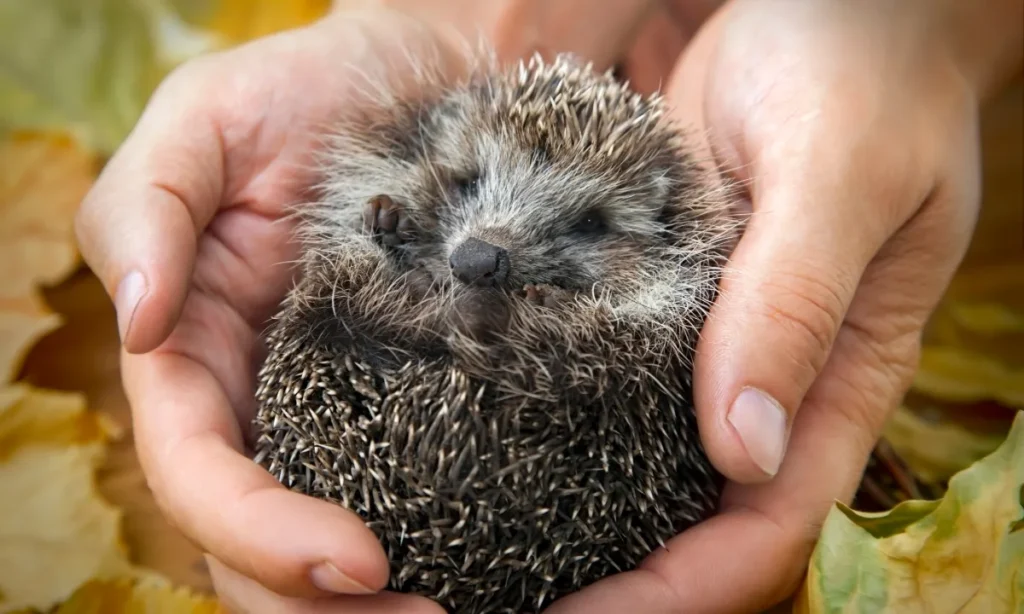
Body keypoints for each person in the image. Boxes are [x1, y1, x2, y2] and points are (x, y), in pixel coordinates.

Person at [73, 0, 1023, 612]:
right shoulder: (420, 178)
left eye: (583, 222)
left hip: (567, 399)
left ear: (651, 218)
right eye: (476, 182)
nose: (486, 245)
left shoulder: (668, 278)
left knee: (626, 364)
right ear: (451, 143)